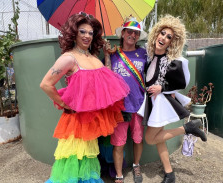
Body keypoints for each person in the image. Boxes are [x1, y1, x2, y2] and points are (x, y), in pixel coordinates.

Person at [40, 12, 130, 183]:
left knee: (87, 161)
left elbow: (107, 81)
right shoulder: (69, 58)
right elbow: (45, 84)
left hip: (92, 121)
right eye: (82, 31)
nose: (87, 36)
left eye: (90, 32)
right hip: (76, 122)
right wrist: (64, 104)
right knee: (74, 161)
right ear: (74, 33)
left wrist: (108, 55)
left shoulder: (94, 57)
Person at [137, 14, 207, 183]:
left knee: (150, 138)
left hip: (161, 103)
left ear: (171, 43)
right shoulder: (151, 56)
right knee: (159, 138)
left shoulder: (171, 61)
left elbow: (181, 81)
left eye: (169, 37)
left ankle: (188, 128)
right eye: (162, 33)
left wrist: (163, 88)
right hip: (152, 103)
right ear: (156, 34)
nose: (164, 38)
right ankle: (170, 174)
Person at [103, 16, 147, 183]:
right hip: (119, 107)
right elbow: (106, 75)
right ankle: (119, 176)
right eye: (129, 31)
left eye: (136, 33)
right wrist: (106, 55)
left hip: (138, 104)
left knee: (138, 139)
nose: (133, 35)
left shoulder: (144, 53)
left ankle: (136, 165)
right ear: (122, 34)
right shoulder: (114, 54)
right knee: (118, 143)